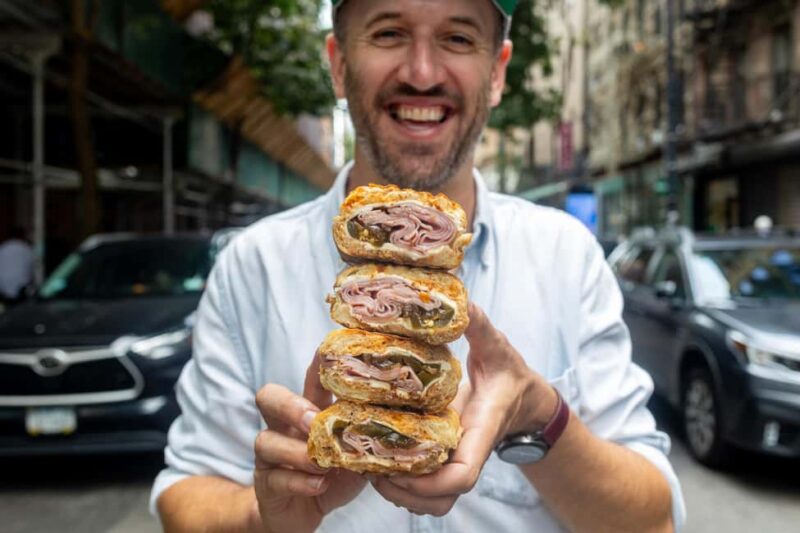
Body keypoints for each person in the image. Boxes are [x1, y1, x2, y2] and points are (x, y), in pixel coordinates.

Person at [152, 1, 686, 531]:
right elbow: (184, 494)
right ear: (338, 64)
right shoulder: (252, 267)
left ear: (497, 71)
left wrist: (539, 417)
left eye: (457, 38)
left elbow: (652, 520)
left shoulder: (567, 256)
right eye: (388, 33)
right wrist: (262, 520)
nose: (423, 74)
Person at [0, 226, 34, 307]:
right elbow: (32, 269)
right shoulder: (26, 249)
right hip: (21, 291)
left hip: (3, 290)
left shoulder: (3, 248)